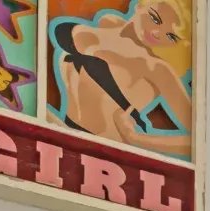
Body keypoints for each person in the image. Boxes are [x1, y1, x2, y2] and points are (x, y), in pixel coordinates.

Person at [53, 0, 194, 158]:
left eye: (170, 36)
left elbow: (196, 141)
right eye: (155, 19)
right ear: (140, 5)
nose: (156, 33)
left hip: (105, 156)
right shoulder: (108, 22)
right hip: (60, 133)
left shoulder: (158, 69)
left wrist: (137, 139)